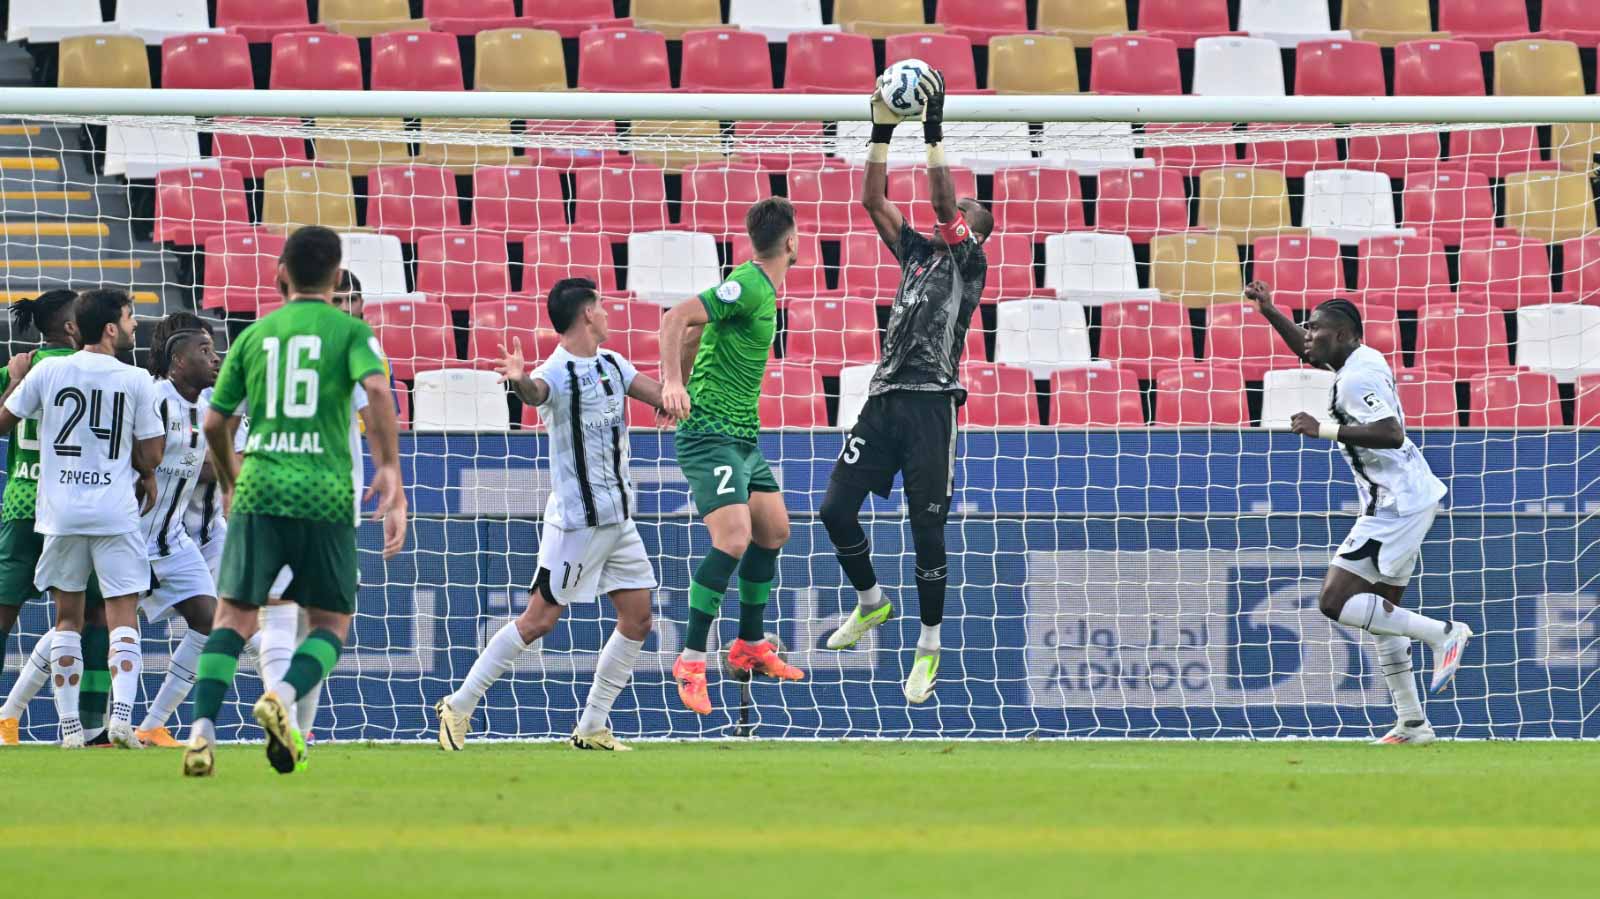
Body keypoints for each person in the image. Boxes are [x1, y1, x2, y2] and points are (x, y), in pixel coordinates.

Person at [182, 225, 406, 777]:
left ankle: (200, 735)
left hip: (259, 485)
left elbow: (215, 421)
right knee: (331, 623)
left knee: (233, 617)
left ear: (281, 274)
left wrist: (232, 478)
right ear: (336, 278)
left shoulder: (254, 337)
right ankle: (280, 698)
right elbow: (378, 391)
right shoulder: (350, 332)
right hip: (324, 491)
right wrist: (389, 470)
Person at [820, 71, 993, 705]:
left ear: (978, 228)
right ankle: (869, 603)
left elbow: (946, 205)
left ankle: (928, 648)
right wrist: (882, 130)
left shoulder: (968, 261)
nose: (958, 209)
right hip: (885, 396)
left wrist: (935, 127)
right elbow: (871, 199)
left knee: (926, 533)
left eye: (970, 211)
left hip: (933, 405)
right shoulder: (917, 251)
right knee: (835, 509)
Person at [435, 278, 666, 751]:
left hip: (618, 520)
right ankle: (458, 705)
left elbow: (663, 397)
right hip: (577, 524)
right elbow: (536, 393)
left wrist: (688, 374)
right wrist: (519, 380)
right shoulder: (556, 372)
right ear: (585, 315)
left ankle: (592, 726)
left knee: (638, 618)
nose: (606, 312)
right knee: (538, 621)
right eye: (600, 305)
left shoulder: (614, 364)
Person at [1247, 281, 1472, 745]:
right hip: (1406, 496)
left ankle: (1444, 632)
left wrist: (1322, 428)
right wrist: (1270, 310)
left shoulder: (1355, 379)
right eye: (1307, 328)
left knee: (1335, 603)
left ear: (1344, 335)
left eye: (1318, 331)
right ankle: (1413, 723)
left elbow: (1390, 433)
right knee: (1383, 612)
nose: (1309, 337)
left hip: (1395, 505)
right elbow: (1308, 353)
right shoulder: (1358, 357)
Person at [0, 289, 165, 748]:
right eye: (131, 318)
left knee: (67, 619)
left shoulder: (48, 370)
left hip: (61, 513)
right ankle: (121, 719)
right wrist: (142, 468)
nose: (134, 326)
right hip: (114, 512)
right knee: (120, 616)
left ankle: (70, 726)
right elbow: (151, 454)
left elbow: (4, 422)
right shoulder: (135, 379)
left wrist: (15, 379)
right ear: (110, 327)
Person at [659, 198, 804, 716]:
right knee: (735, 538)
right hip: (709, 435)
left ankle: (749, 644)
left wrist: (673, 391)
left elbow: (700, 332)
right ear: (791, 242)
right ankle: (692, 659)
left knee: (774, 530)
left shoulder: (755, 290)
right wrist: (672, 385)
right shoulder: (747, 285)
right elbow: (677, 317)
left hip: (742, 435)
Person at [0, 290, 112, 746]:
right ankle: (92, 725)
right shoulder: (97, 369)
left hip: (23, 504)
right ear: (72, 327)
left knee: (5, 615)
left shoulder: (20, 367)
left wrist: (13, 381)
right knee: (96, 617)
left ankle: (11, 714)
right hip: (74, 505)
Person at [129, 312, 224, 747]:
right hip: (129, 538)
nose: (214, 357)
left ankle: (150, 725)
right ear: (177, 362)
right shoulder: (151, 397)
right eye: (204, 351)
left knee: (210, 622)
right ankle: (11, 713)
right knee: (79, 625)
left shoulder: (209, 409)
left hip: (173, 541)